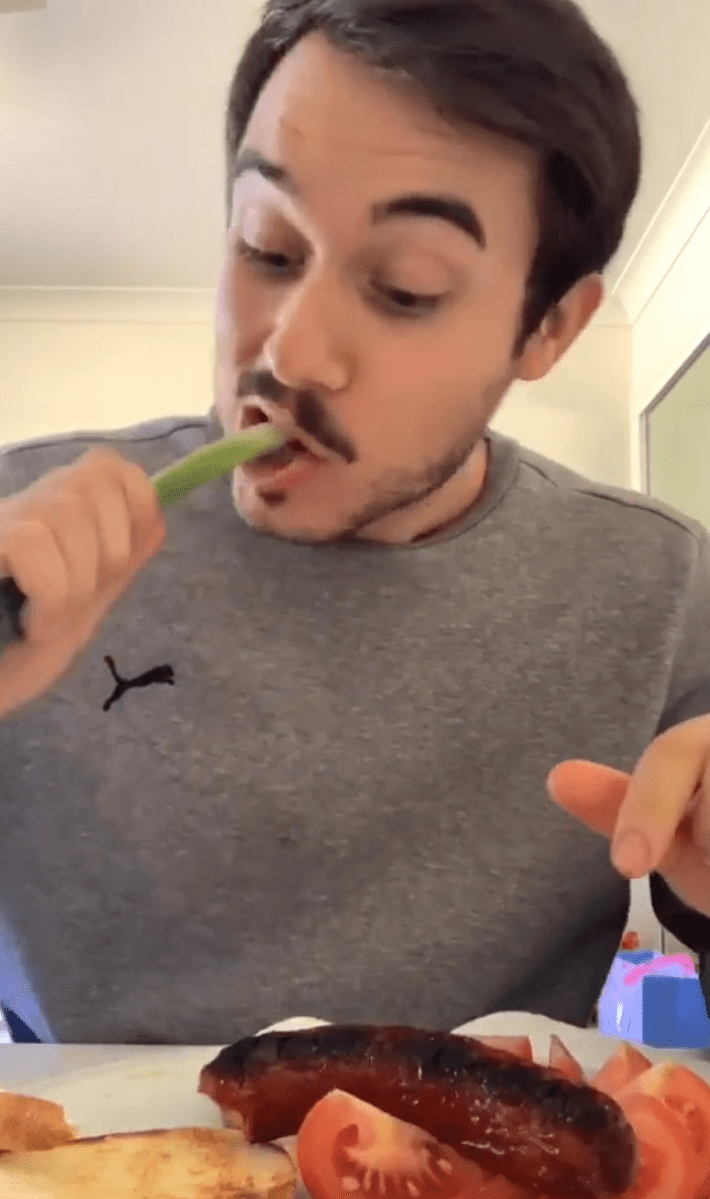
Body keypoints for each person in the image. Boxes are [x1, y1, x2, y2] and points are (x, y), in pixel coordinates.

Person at [1, 0, 709, 1046]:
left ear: (549, 327)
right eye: (267, 248)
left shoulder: (665, 589)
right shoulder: (19, 544)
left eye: (402, 287)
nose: (289, 354)